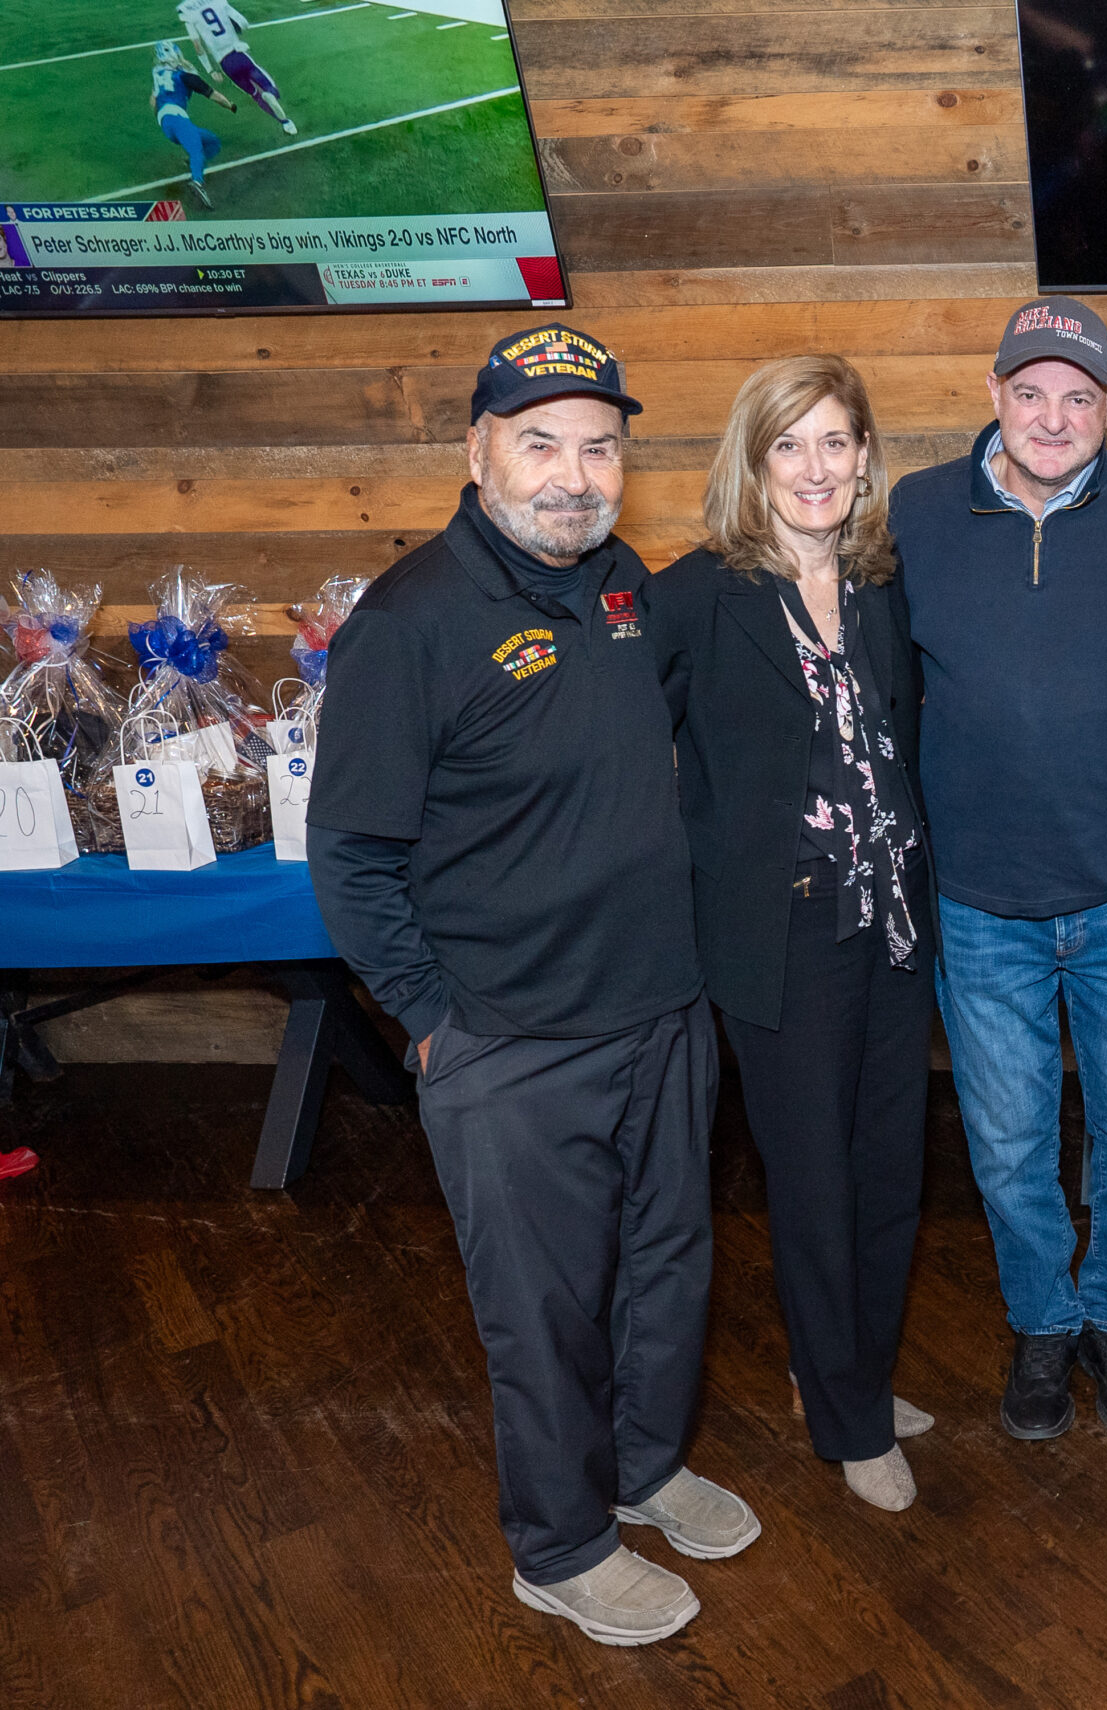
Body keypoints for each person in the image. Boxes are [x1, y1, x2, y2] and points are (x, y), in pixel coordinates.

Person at [310, 324, 755, 1647]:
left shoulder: (621, 585)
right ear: (477, 451)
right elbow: (350, 854)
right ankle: (558, 1547)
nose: (573, 475)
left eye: (599, 447)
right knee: (544, 1310)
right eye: (541, 443)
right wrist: (433, 1023)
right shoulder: (410, 622)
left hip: (662, 1011)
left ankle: (641, 1467)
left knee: (667, 1266)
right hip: (507, 1039)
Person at [889, 297, 1107, 1442]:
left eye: (1077, 398)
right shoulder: (914, 513)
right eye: (1029, 392)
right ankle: (1042, 1321)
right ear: (993, 394)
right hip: (978, 902)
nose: (1051, 417)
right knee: (1009, 1145)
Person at [645, 357, 940, 1516]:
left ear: (864, 458)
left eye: (834, 441)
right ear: (752, 462)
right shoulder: (695, 597)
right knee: (815, 1182)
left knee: (889, 1171)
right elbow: (624, 752)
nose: (815, 467)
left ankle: (850, 1372)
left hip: (896, 925)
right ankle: (847, 1423)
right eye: (789, 444)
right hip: (783, 937)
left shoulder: (880, 587)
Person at [179, 0, 294, 134]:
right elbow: (243, 22)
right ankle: (270, 95)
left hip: (225, 64)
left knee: (254, 94)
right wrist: (235, 29)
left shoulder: (186, 10)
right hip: (239, 54)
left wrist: (210, 70)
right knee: (269, 87)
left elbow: (198, 47)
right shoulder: (218, 1)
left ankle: (284, 123)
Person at [149, 40, 234, 206]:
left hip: (166, 121)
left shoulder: (157, 72)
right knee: (197, 151)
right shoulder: (185, 76)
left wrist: (162, 119)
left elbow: (153, 100)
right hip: (178, 119)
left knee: (212, 141)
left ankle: (192, 163)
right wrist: (231, 106)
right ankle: (197, 182)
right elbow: (214, 95)